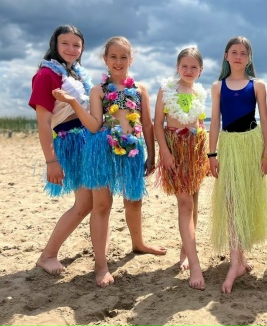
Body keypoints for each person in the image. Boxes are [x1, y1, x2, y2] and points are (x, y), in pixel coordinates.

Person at [53, 36, 165, 287]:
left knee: (134, 201)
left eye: (123, 57)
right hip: (102, 151)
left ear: (131, 59)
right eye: (113, 56)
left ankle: (138, 243)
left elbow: (147, 124)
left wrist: (152, 154)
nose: (118, 61)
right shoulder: (99, 90)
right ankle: (101, 265)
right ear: (105, 59)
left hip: (133, 151)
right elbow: (94, 125)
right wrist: (73, 103)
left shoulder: (140, 89)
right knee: (102, 205)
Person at [29, 25, 93, 276]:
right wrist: (51, 160)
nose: (71, 49)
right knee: (84, 203)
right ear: (55, 45)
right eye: (65, 43)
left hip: (88, 140)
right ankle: (47, 255)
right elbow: (44, 123)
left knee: (93, 202)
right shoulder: (46, 75)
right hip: (70, 142)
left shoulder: (76, 74)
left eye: (76, 45)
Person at [208, 36, 267, 294]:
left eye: (243, 53)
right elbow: (214, 121)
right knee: (232, 202)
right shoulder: (218, 86)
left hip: (251, 145)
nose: (238, 56)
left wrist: (266, 154)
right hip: (229, 146)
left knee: (245, 200)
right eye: (234, 52)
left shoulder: (258, 85)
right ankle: (236, 263)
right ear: (226, 56)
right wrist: (212, 154)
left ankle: (240, 260)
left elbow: (265, 121)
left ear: (249, 58)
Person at [154, 47, 209, 290]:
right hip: (174, 148)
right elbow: (158, 124)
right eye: (184, 66)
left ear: (201, 70)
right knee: (185, 204)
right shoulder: (167, 89)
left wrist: (205, 156)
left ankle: (186, 250)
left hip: (194, 150)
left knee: (194, 202)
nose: (188, 70)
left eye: (193, 67)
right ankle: (195, 266)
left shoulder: (199, 92)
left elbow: (200, 123)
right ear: (177, 67)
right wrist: (165, 153)